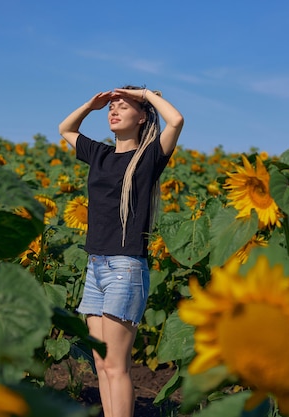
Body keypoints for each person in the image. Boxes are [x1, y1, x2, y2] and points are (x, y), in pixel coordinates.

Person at [59, 86, 184, 417]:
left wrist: (143, 92)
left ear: (141, 117)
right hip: (95, 266)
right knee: (101, 364)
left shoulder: (148, 158)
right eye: (111, 107)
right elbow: (66, 129)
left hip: (125, 269)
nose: (113, 110)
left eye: (123, 106)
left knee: (116, 365)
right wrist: (91, 104)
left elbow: (176, 120)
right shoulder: (99, 154)